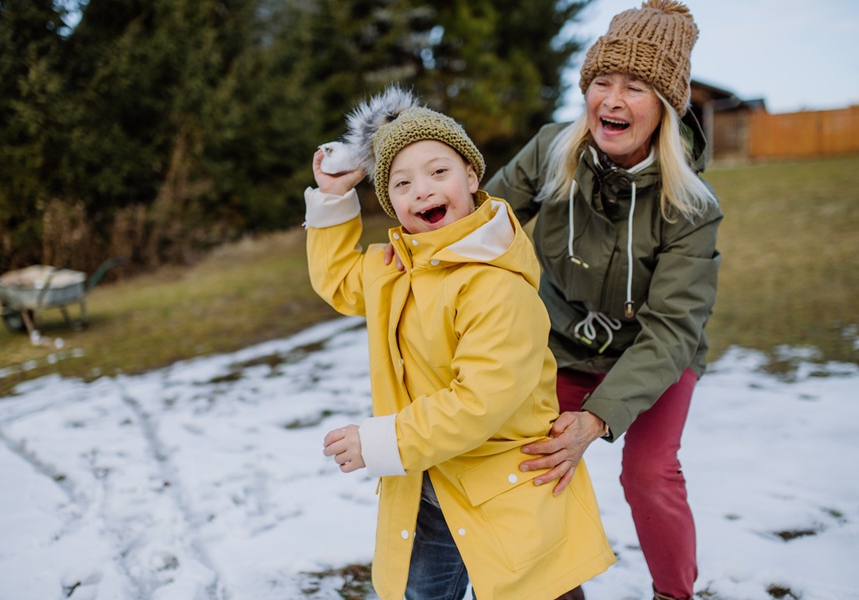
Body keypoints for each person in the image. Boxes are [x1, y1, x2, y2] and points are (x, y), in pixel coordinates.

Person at [304, 86, 615, 600]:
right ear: (391, 203)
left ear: (472, 176)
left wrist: (383, 442)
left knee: (537, 589)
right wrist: (335, 196)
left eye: (438, 172)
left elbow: (480, 401)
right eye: (401, 183)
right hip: (427, 488)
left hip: (508, 486)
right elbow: (338, 279)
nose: (421, 190)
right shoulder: (395, 268)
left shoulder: (495, 284)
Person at [479, 2, 723, 599]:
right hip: (561, 341)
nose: (611, 100)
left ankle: (674, 594)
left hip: (653, 355)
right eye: (601, 82)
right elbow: (484, 222)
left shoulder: (691, 208)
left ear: (664, 107)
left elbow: (671, 330)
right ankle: (557, 589)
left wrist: (597, 418)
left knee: (648, 474)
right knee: (531, 457)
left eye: (635, 87)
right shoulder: (550, 150)